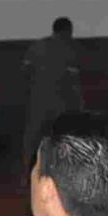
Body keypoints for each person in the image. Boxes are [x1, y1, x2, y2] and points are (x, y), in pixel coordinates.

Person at [21, 17, 82, 167]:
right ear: (68, 31)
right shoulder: (69, 49)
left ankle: (24, 175)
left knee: (32, 139)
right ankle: (61, 172)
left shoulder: (37, 46)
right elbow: (73, 80)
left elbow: (24, 71)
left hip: (37, 100)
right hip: (61, 102)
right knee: (62, 138)